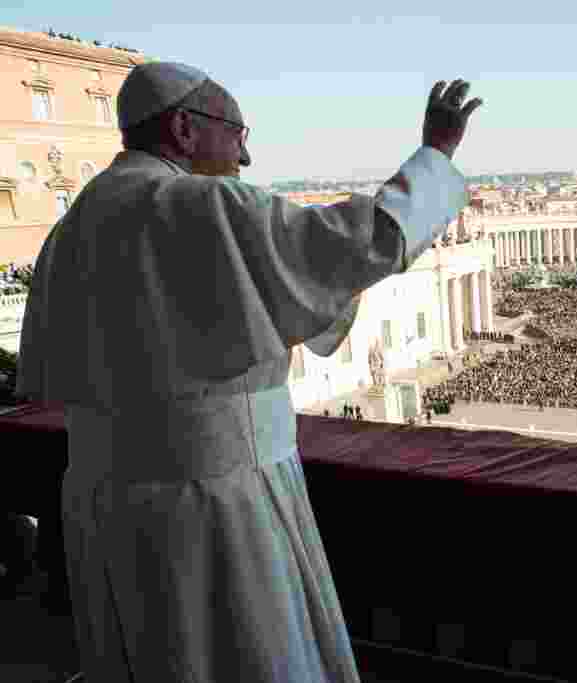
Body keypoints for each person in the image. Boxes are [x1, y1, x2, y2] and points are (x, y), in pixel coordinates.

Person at [16, 61, 483, 683]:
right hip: (214, 502)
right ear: (184, 128)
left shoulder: (72, 226)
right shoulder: (204, 204)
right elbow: (360, 243)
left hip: (102, 504)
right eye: (237, 133)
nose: (246, 155)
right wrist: (435, 155)